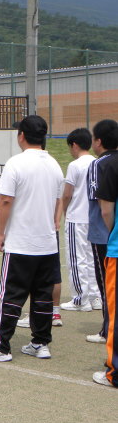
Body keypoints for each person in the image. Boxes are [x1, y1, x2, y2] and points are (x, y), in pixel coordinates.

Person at [0, 115, 63, 362]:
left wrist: (0, 233)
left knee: (11, 296)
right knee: (42, 297)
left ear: (21, 135)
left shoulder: (16, 163)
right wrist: (53, 225)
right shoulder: (54, 164)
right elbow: (58, 201)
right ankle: (40, 342)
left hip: (21, 243)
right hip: (47, 244)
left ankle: (0, 346)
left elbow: (5, 200)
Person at [59, 128, 100, 312]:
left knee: (76, 259)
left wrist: (64, 211)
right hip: (93, 218)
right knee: (92, 259)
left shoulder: (75, 165)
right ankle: (95, 297)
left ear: (74, 145)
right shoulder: (97, 162)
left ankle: (80, 299)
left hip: (77, 217)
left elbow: (67, 194)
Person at [85, 119, 118, 345]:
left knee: (106, 283)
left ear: (98, 141)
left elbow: (102, 203)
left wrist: (111, 229)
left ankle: (108, 329)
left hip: (104, 234)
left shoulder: (98, 164)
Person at [94, 138, 118, 387]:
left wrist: (112, 233)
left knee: (116, 313)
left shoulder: (111, 165)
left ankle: (115, 372)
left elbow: (106, 211)